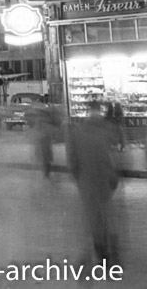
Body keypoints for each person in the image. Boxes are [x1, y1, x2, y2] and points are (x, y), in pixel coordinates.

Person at [67, 101, 122, 264]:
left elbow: (73, 162)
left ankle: (102, 255)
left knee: (94, 220)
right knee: (109, 218)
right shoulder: (106, 130)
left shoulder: (78, 133)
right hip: (104, 183)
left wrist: (79, 180)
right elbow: (112, 158)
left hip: (87, 184)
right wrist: (113, 180)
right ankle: (115, 256)